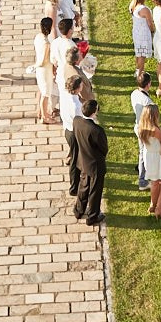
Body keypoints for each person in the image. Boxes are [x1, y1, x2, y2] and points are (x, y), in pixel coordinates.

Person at [71, 96, 109, 225]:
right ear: (94, 113)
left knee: (83, 186)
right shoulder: (97, 130)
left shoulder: (76, 121)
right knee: (95, 191)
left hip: (83, 161)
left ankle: (79, 209)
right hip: (95, 165)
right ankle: (92, 216)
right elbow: (104, 149)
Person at [138, 104, 161, 220]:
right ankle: (158, 207)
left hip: (148, 155)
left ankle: (153, 204)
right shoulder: (154, 129)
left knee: (155, 182)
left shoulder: (141, 127)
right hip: (157, 156)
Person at [31, 15, 58, 124]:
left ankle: (42, 112)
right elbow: (45, 60)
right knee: (46, 93)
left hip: (40, 69)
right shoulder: (47, 43)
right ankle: (45, 117)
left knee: (42, 90)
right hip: (45, 69)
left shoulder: (38, 37)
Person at [130, 0, 156, 84]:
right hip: (143, 34)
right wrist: (153, 31)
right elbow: (150, 23)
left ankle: (138, 70)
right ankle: (140, 73)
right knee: (142, 55)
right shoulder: (145, 9)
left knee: (138, 53)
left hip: (136, 32)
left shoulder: (133, 4)